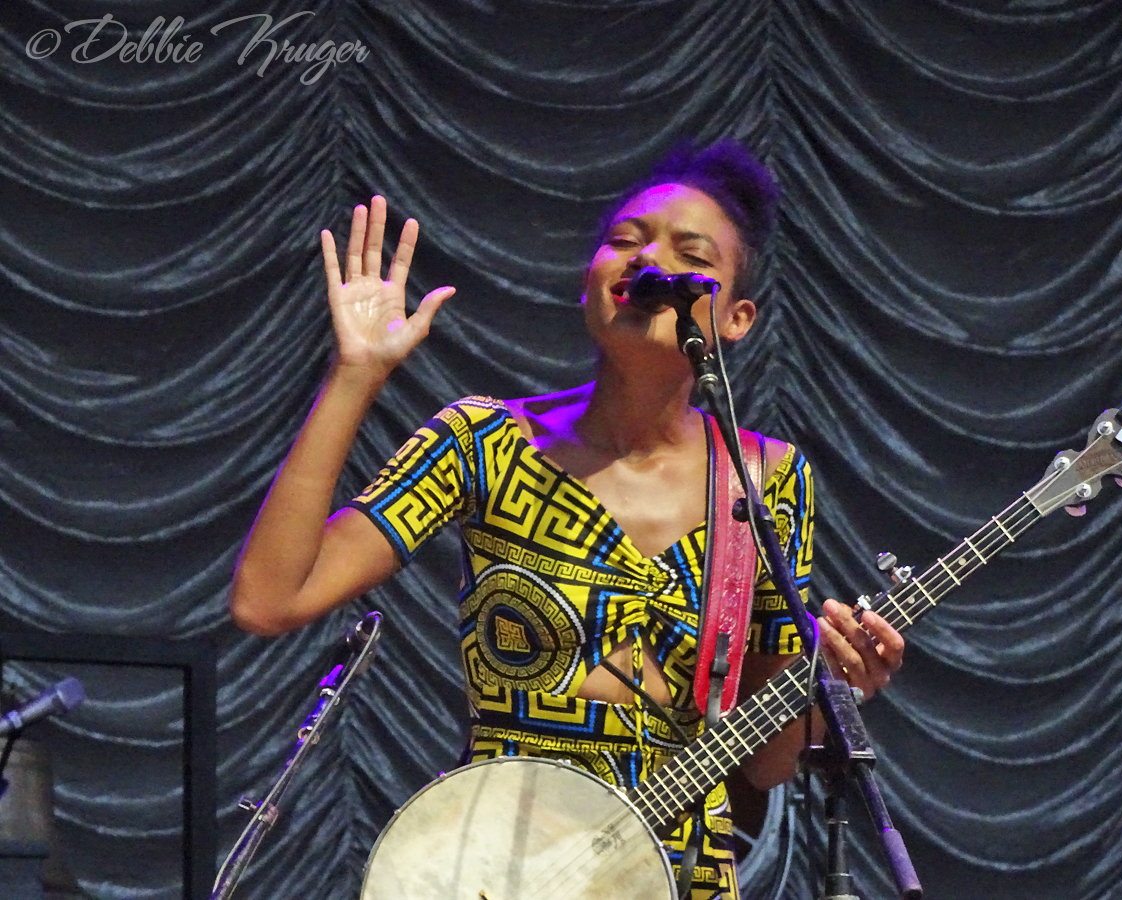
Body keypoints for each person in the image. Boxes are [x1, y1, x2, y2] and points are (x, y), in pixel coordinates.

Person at [230, 141, 905, 900]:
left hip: (682, 875)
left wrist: (837, 687)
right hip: (500, 870)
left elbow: (763, 760)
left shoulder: (767, 481)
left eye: (690, 255)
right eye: (625, 241)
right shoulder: (486, 443)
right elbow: (269, 599)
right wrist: (355, 375)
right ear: (590, 283)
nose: (648, 260)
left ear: (737, 318)